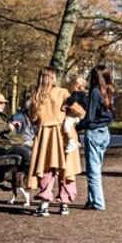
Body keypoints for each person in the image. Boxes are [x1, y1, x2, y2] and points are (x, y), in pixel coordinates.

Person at [26, 67, 84, 216]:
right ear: (53, 78)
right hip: (64, 133)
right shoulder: (62, 92)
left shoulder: (36, 97)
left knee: (46, 169)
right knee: (67, 168)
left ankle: (44, 205)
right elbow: (80, 112)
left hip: (46, 136)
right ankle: (64, 204)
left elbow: (32, 118)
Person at [79, 65, 115, 210]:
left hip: (93, 132)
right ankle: (92, 200)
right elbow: (112, 115)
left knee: (93, 170)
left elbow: (90, 117)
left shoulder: (95, 92)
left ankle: (98, 202)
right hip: (105, 132)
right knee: (96, 167)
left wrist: (76, 126)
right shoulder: (110, 91)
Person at [0, 92, 31, 171]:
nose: (3, 105)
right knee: (27, 153)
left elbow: (5, 127)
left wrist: (12, 124)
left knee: (33, 149)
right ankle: (28, 179)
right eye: (1, 103)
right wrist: (8, 126)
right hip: (3, 146)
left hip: (11, 143)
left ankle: (21, 177)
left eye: (4, 103)